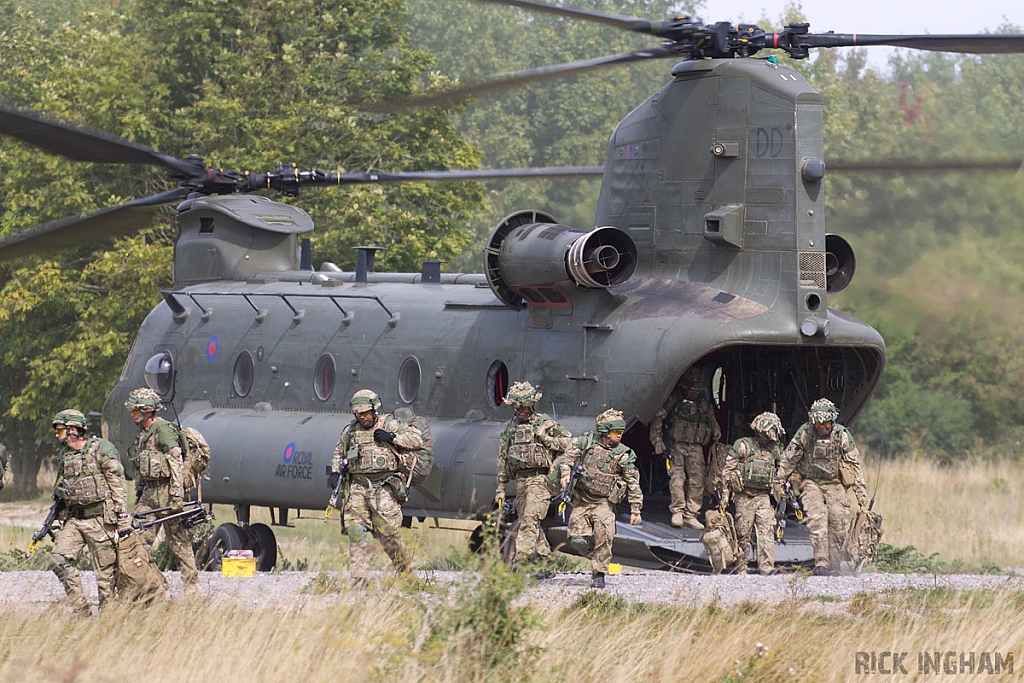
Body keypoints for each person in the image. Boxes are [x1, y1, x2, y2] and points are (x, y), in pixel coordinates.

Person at [330, 389, 423, 584]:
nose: (362, 417)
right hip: (357, 487)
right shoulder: (351, 431)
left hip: (384, 487)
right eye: (358, 414)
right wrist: (336, 471)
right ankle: (359, 577)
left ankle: (405, 572)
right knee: (355, 530)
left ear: (374, 409)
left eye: (365, 413)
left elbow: (417, 439)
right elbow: (339, 453)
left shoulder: (390, 424)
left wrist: (392, 437)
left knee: (388, 535)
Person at [773, 398, 869, 576]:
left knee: (839, 521)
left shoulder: (842, 435)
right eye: (818, 423)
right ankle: (821, 563)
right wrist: (778, 482)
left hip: (835, 483)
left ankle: (834, 565)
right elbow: (788, 460)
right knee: (817, 519)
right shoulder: (805, 433)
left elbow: (854, 466)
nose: (822, 426)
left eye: (826, 423)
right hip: (811, 482)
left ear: (832, 421)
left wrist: (862, 497)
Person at [49, 409, 127, 613]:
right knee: (58, 559)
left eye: (60, 431)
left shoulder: (101, 448)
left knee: (105, 576)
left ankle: (108, 620)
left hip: (100, 519)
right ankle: (81, 608)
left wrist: (121, 516)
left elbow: (117, 483)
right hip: (75, 520)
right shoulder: (64, 455)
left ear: (73, 430)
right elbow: (61, 487)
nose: (57, 435)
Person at [558, 409, 642, 588]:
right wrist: (565, 473)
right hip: (582, 500)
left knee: (604, 537)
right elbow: (567, 459)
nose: (619, 436)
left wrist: (636, 509)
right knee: (578, 540)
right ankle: (596, 555)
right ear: (605, 432)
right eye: (615, 433)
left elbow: (633, 482)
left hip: (603, 503)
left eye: (621, 433)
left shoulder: (623, 455)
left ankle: (599, 574)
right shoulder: (585, 443)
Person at [124, 387, 198, 587]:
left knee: (178, 541)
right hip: (149, 492)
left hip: (167, 492)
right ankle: (153, 584)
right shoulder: (144, 432)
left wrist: (176, 496)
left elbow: (176, 462)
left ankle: (191, 587)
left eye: (136, 410)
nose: (132, 414)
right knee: (137, 540)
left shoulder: (163, 429)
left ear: (147, 411)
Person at [495, 381, 571, 571]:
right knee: (529, 523)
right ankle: (545, 563)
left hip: (541, 480)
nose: (520, 411)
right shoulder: (510, 429)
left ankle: (520, 561)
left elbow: (569, 443)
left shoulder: (544, 424)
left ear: (531, 405)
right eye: (516, 407)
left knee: (529, 520)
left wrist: (546, 438)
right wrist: (501, 488)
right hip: (521, 481)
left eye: (523, 407)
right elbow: (503, 459)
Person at [650, 367, 721, 529]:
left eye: (697, 391)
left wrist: (716, 430)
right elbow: (657, 418)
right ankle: (678, 511)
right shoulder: (675, 399)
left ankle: (691, 514)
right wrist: (658, 441)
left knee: (698, 481)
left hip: (695, 447)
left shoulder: (703, 403)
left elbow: (710, 418)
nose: (693, 394)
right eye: (691, 390)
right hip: (676, 445)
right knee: (677, 478)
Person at [721, 412, 785, 575]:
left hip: (763, 496)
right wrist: (725, 494)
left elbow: (783, 469)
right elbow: (727, 470)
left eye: (769, 435)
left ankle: (766, 567)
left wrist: (780, 488)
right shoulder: (743, 445)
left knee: (767, 531)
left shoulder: (775, 450)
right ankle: (740, 566)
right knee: (743, 532)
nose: (765, 438)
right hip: (744, 495)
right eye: (763, 434)